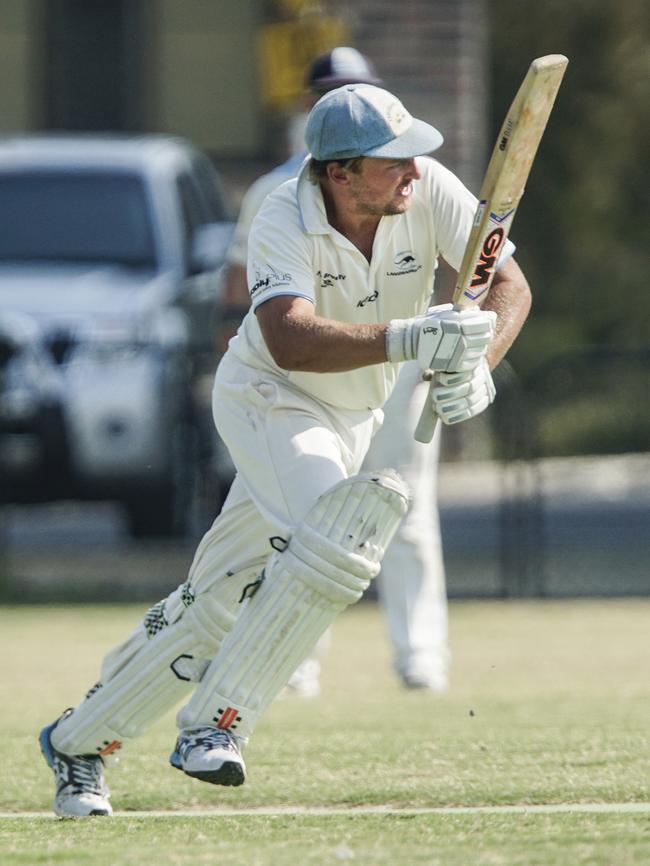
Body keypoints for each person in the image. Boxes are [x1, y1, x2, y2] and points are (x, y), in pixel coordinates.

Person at [39, 82, 531, 817]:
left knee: (214, 607)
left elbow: (508, 287)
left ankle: (79, 744)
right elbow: (289, 338)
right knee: (338, 536)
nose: (414, 170)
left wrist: (478, 369)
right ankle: (216, 720)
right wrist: (408, 339)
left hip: (351, 415)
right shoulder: (283, 215)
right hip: (270, 398)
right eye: (394, 160)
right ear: (340, 172)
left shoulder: (426, 191)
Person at [222, 48, 449, 694]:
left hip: (397, 371)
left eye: (358, 88)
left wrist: (460, 351)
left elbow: (470, 262)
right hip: (304, 387)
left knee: (406, 510)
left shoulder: (412, 179)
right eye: (331, 90)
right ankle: (298, 659)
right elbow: (240, 289)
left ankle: (419, 655)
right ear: (309, 106)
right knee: (303, 519)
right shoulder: (274, 194)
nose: (346, 99)